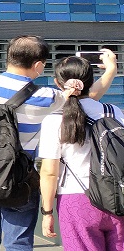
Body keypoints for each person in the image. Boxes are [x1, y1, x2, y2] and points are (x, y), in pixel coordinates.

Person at [0, 36, 116, 251]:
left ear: (9, 57)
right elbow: (89, 97)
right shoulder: (44, 96)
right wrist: (110, 70)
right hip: (21, 178)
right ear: (38, 65)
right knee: (18, 243)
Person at [38, 52, 123, 250]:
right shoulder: (113, 112)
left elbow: (50, 172)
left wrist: (47, 212)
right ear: (91, 81)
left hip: (75, 200)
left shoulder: (54, 121)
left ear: (58, 84)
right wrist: (111, 70)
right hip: (117, 196)